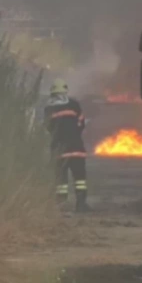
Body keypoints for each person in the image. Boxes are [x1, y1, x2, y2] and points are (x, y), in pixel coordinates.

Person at [44, 78, 89, 212]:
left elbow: (48, 128)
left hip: (59, 151)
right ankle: (81, 205)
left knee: (61, 181)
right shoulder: (74, 104)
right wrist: (74, 134)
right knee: (80, 179)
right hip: (76, 148)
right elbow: (81, 124)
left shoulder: (49, 109)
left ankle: (61, 205)